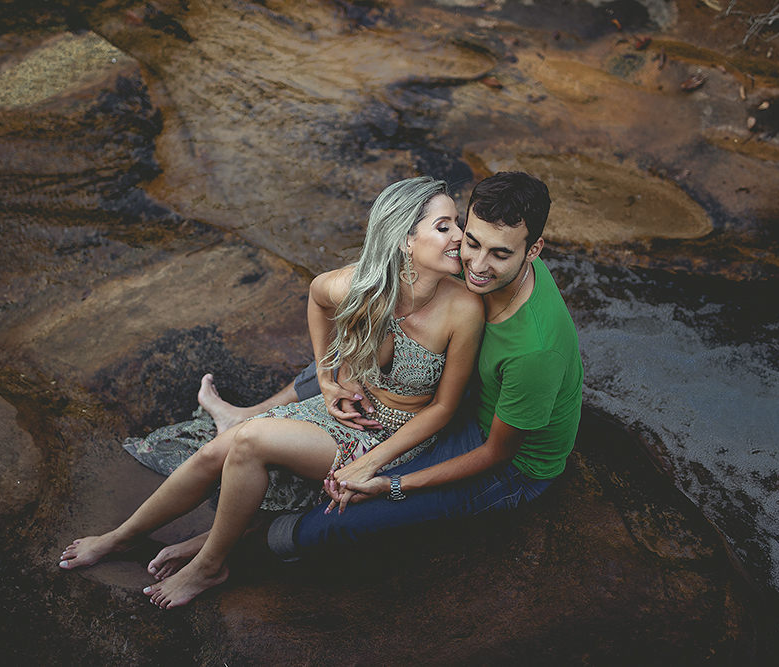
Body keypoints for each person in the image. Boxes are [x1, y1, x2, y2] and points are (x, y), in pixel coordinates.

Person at [58, 176, 485, 608]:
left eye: (458, 223)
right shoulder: (365, 285)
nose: (460, 237)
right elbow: (318, 297)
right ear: (404, 241)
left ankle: (209, 565)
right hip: (345, 413)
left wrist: (371, 464)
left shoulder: (463, 308)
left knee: (249, 439)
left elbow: (445, 407)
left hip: (396, 439)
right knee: (213, 452)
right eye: (444, 226)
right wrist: (325, 378)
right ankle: (120, 538)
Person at [258, 170, 584, 558]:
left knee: (333, 522)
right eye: (473, 242)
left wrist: (393, 483)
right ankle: (252, 416)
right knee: (371, 346)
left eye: (499, 254)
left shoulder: (535, 351)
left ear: (533, 250)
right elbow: (348, 300)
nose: (477, 266)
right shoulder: (472, 257)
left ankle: (241, 551)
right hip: (464, 395)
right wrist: (338, 377)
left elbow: (497, 453)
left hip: (506, 458)